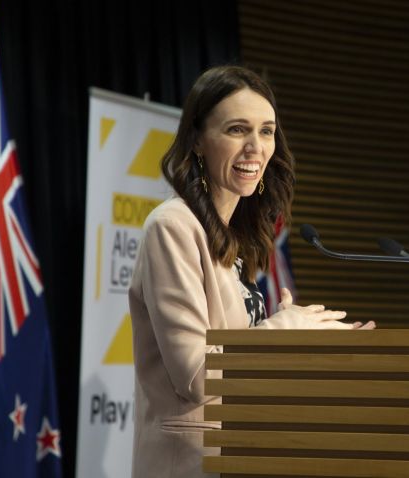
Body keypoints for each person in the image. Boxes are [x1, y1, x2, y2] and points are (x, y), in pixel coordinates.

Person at [128, 65, 375, 478]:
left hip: (242, 457)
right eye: (237, 129)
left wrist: (323, 351)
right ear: (199, 141)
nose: (255, 147)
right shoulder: (172, 226)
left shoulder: (234, 239)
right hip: (190, 465)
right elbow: (197, 377)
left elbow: (243, 364)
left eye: (266, 131)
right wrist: (287, 329)